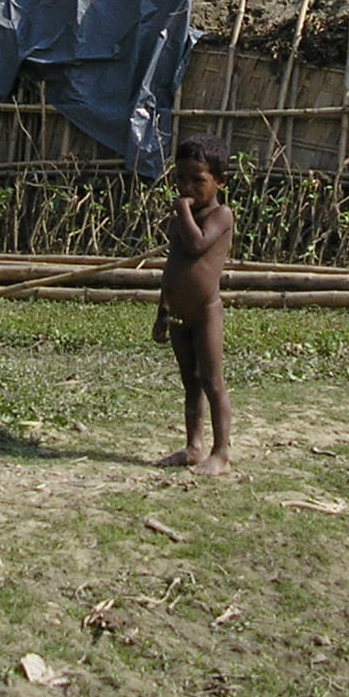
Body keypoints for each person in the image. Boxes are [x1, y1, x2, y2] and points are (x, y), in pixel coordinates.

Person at [151, 136, 235, 475]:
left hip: (205, 313)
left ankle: (221, 454)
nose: (186, 187)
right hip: (178, 314)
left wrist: (184, 209)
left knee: (212, 381)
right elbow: (172, 268)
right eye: (180, 178)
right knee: (190, 383)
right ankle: (193, 446)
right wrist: (162, 311)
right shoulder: (179, 223)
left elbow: (198, 244)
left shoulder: (221, 215)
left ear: (220, 181)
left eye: (197, 180)